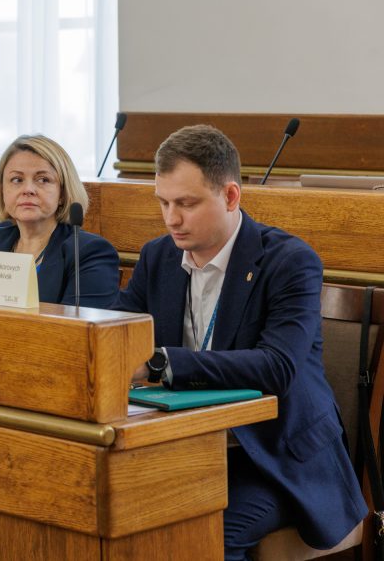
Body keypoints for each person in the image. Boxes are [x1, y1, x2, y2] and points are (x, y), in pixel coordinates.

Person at [114, 125, 365, 559]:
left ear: (231, 196)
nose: (171, 218)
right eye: (163, 202)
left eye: (186, 204)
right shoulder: (158, 257)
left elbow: (276, 367)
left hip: (274, 459)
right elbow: (118, 335)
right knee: (119, 518)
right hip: (190, 448)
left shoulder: (289, 262)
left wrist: (162, 363)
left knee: (204, 538)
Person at [0, 135, 119, 307]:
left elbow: (78, 330)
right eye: (17, 180)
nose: (28, 189)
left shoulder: (88, 252)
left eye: (43, 180)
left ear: (63, 193)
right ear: (2, 190)